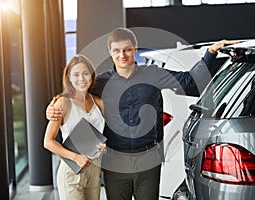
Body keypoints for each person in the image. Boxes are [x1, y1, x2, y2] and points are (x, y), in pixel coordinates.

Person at [46, 28, 237, 200]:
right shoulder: (101, 83)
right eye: (117, 50)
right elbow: (76, 94)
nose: (122, 54)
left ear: (135, 49)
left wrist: (211, 52)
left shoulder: (153, 73)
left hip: (148, 160)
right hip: (115, 162)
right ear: (111, 53)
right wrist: (52, 107)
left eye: (127, 49)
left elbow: (190, 82)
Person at [43, 54, 106, 200]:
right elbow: (48, 142)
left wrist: (104, 146)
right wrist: (76, 157)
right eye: (76, 74)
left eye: (85, 73)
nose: (81, 79)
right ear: (69, 78)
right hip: (71, 171)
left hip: (94, 170)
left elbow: (104, 134)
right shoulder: (63, 103)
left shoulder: (99, 103)